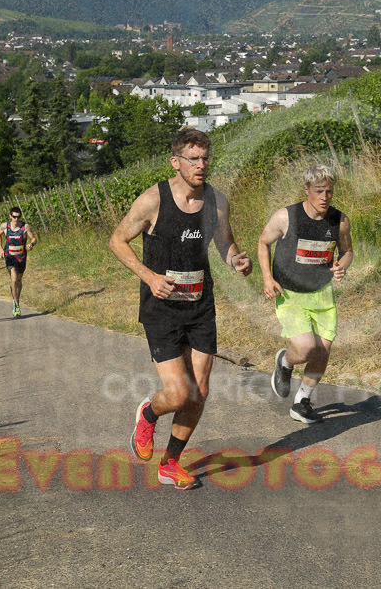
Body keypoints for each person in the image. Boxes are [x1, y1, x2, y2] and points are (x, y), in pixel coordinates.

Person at [110, 129, 252, 490]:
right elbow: (117, 240)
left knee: (199, 392)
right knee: (178, 395)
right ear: (176, 162)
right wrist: (149, 275)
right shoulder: (152, 200)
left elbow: (225, 242)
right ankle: (149, 412)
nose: (201, 165)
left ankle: (170, 462)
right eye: (193, 159)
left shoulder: (217, 201)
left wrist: (236, 260)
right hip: (161, 309)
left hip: (200, 304)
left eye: (206, 158)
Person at [259, 164, 353, 424]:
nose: (325, 197)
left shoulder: (340, 221)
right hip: (290, 294)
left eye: (330, 192)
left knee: (322, 350)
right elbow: (263, 242)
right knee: (305, 348)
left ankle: (302, 402)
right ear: (307, 189)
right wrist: (268, 278)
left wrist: (340, 267)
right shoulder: (286, 217)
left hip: (322, 294)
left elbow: (347, 251)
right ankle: (286, 362)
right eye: (319, 191)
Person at [0, 206, 38, 317]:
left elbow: (34, 238)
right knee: (13, 279)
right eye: (14, 216)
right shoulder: (5, 226)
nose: (16, 219)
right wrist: (0, 248)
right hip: (9, 256)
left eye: (18, 217)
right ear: (10, 216)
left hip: (21, 256)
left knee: (19, 280)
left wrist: (31, 244)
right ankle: (16, 306)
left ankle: (16, 300)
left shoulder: (25, 227)